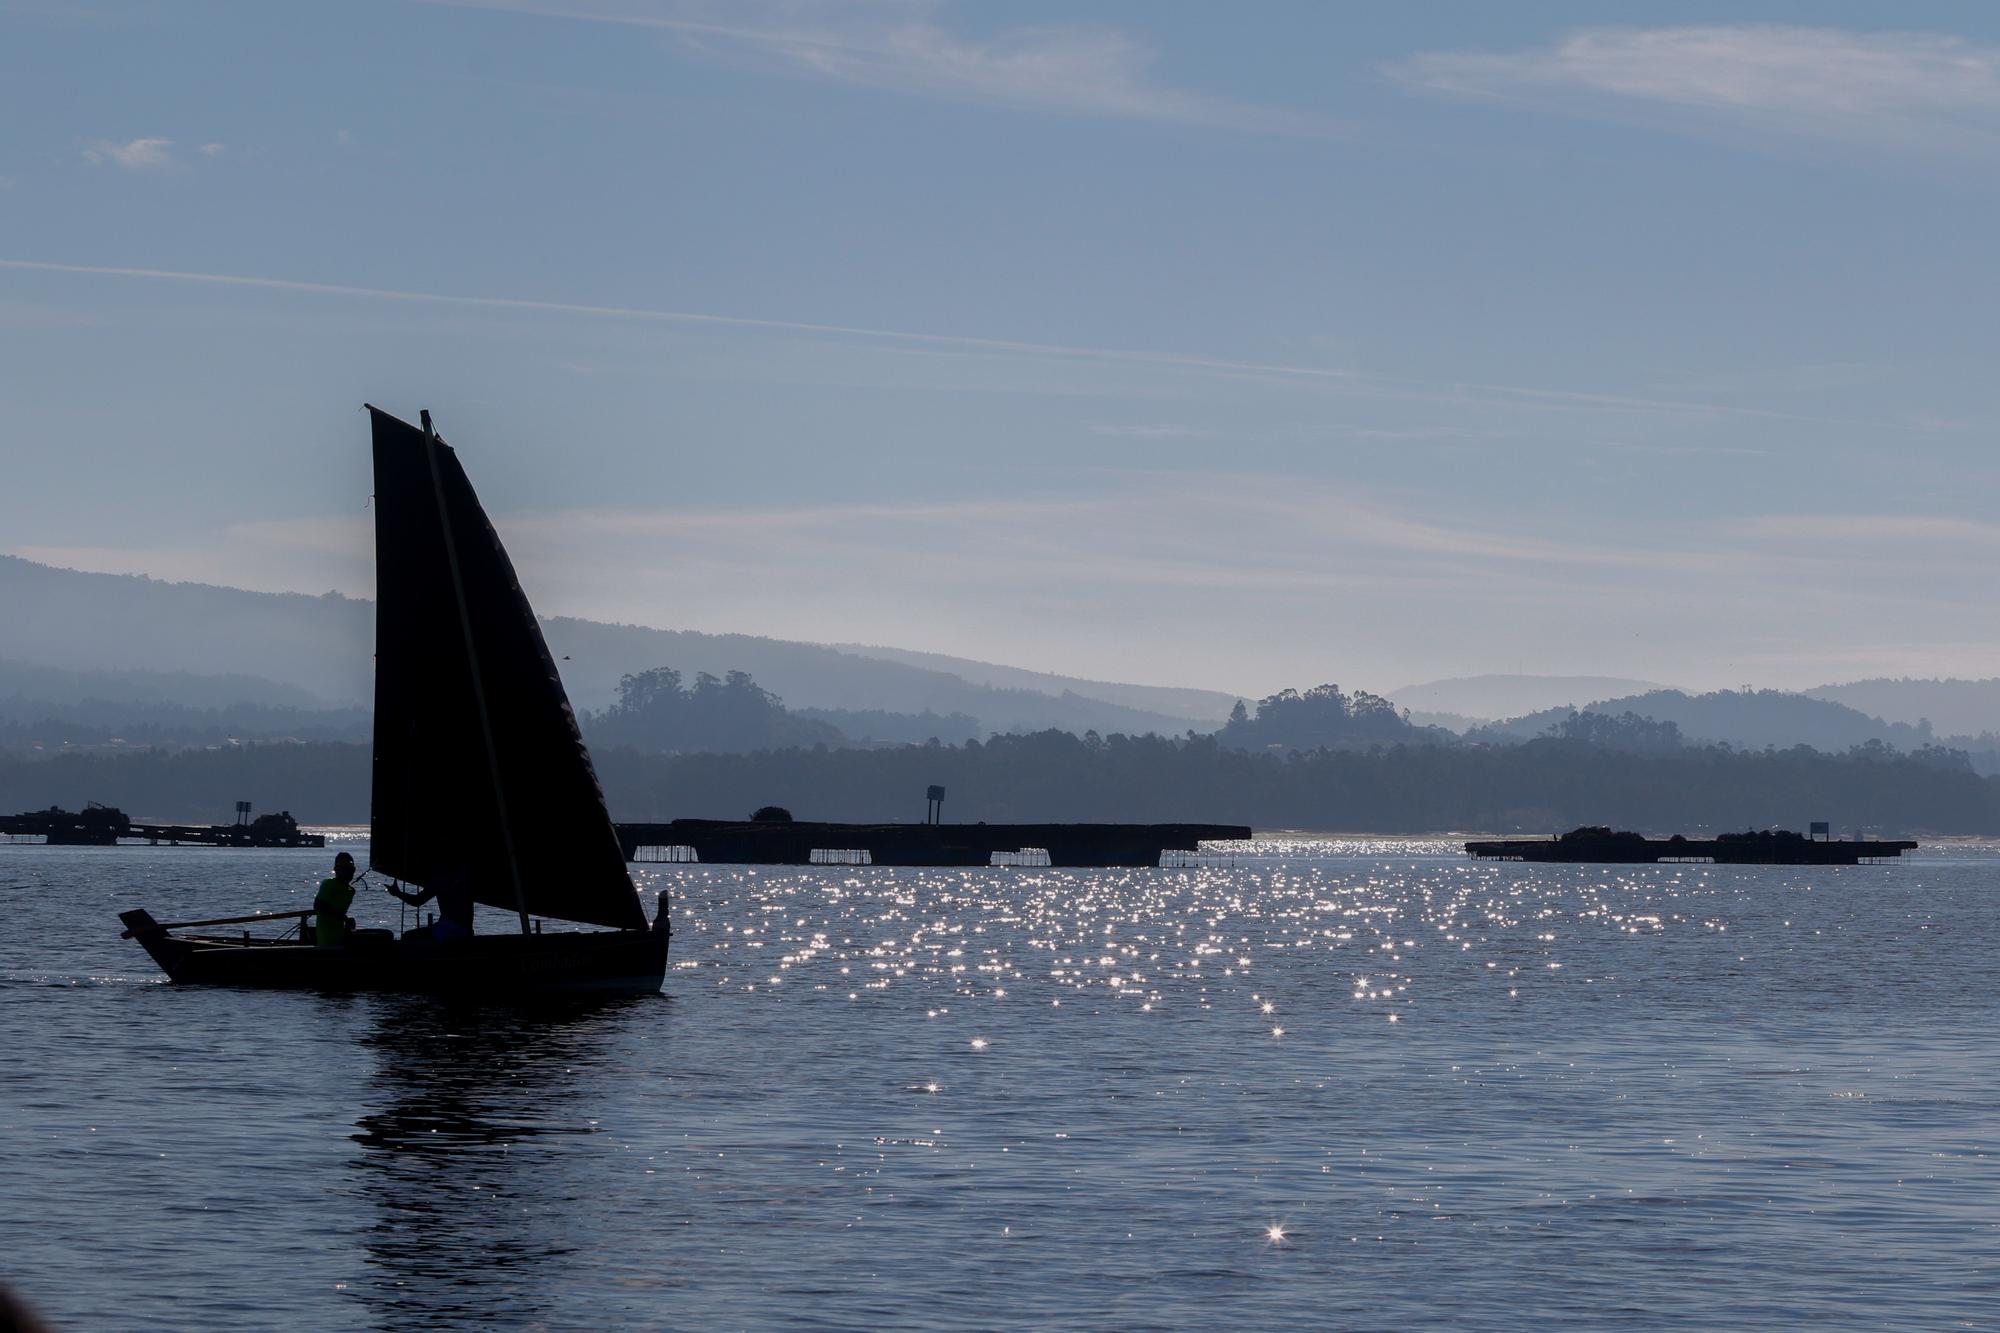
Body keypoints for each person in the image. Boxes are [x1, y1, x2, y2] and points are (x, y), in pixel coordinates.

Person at [387, 866, 477, 941]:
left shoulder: (440, 879)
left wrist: (397, 893)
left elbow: (417, 901)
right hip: (466, 930)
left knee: (407, 936)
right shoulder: (467, 874)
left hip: (448, 928)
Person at [313, 852, 359, 947]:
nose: (345, 871)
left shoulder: (350, 891)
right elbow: (318, 905)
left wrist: (347, 921)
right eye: (342, 868)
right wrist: (343, 917)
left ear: (353, 870)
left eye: (348, 868)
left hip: (339, 936)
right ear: (335, 870)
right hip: (327, 940)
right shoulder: (328, 884)